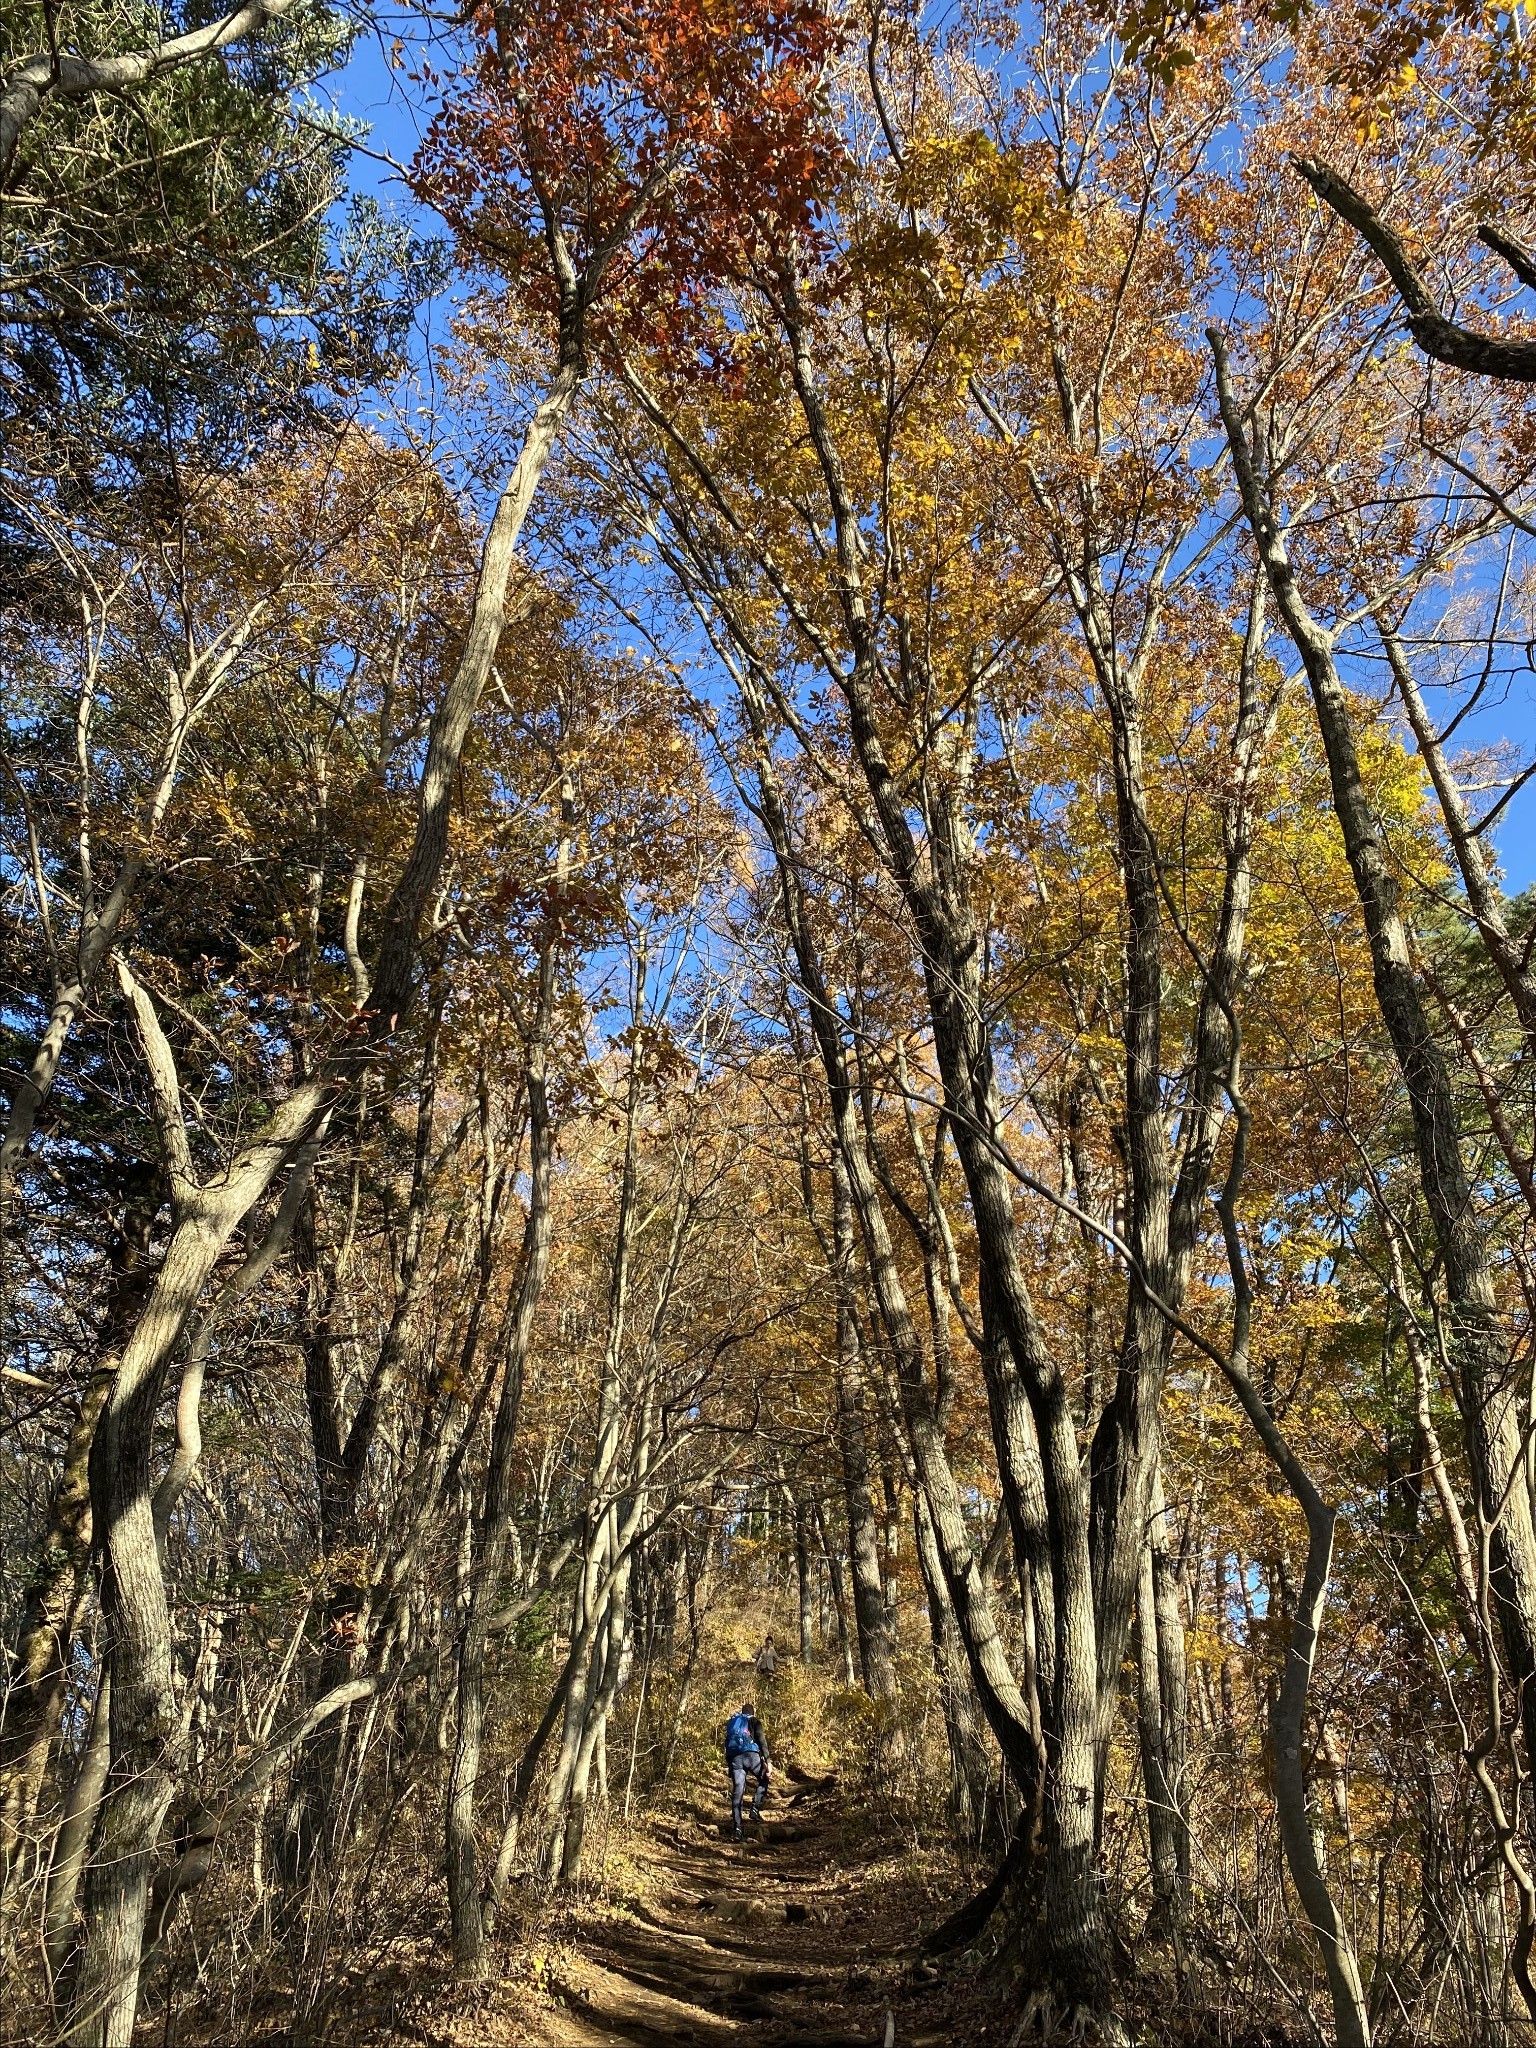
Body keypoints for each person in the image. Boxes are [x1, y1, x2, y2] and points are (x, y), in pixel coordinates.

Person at [723, 1698, 772, 1841]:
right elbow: (761, 1741)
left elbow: (727, 1744)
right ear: (752, 1712)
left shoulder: (733, 1723)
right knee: (764, 1778)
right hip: (751, 1756)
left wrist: (730, 1767)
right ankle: (755, 1809)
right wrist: (767, 1761)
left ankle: (737, 1829)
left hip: (735, 1758)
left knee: (738, 1791)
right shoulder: (754, 1721)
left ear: (742, 1713)